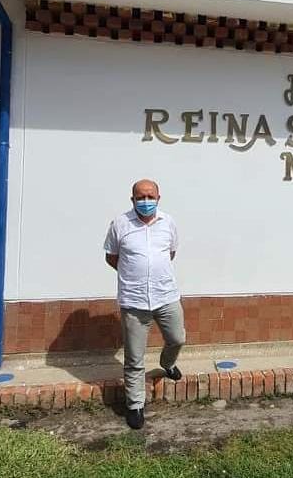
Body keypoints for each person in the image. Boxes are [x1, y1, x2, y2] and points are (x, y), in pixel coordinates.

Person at [103, 178, 185, 430]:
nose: (146, 201)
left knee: (177, 338)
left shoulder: (168, 222)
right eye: (140, 197)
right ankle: (135, 405)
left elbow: (170, 253)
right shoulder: (120, 224)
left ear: (159, 198)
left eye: (150, 196)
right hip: (134, 300)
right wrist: (134, 274)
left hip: (166, 296)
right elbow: (112, 257)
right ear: (132, 200)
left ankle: (167, 364)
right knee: (134, 358)